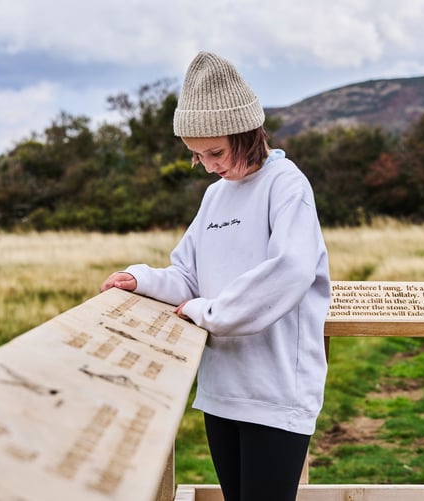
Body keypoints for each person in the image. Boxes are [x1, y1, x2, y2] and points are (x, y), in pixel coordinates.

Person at [100, 51, 331, 501]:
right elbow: (188, 275)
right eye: (196, 155)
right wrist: (141, 280)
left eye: (215, 152)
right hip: (222, 389)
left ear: (246, 132)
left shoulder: (287, 185)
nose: (208, 165)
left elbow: (291, 269)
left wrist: (209, 312)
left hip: (277, 391)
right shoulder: (214, 198)